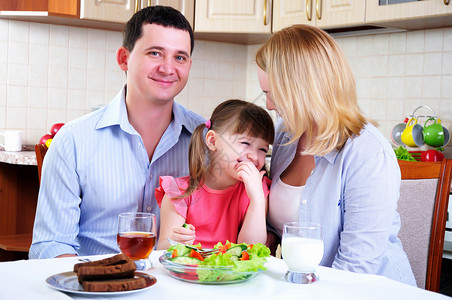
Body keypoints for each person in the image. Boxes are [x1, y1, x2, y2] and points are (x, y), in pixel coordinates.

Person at [29, 6, 205, 259]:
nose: (168, 68)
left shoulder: (207, 141)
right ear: (124, 58)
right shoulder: (73, 140)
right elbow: (51, 245)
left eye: (180, 57)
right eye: (155, 53)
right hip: (95, 291)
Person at [255, 24, 416, 285]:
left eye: (273, 94)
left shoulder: (368, 153)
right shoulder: (285, 134)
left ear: (303, 90)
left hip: (367, 291)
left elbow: (355, 268)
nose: (269, 105)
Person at [155, 99, 274, 249]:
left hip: (233, 272)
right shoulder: (179, 192)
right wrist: (175, 240)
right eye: (245, 143)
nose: (254, 156)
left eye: (263, 149)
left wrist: (257, 199)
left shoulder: (256, 191)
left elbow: (251, 249)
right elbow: (163, 249)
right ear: (212, 141)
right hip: (187, 271)